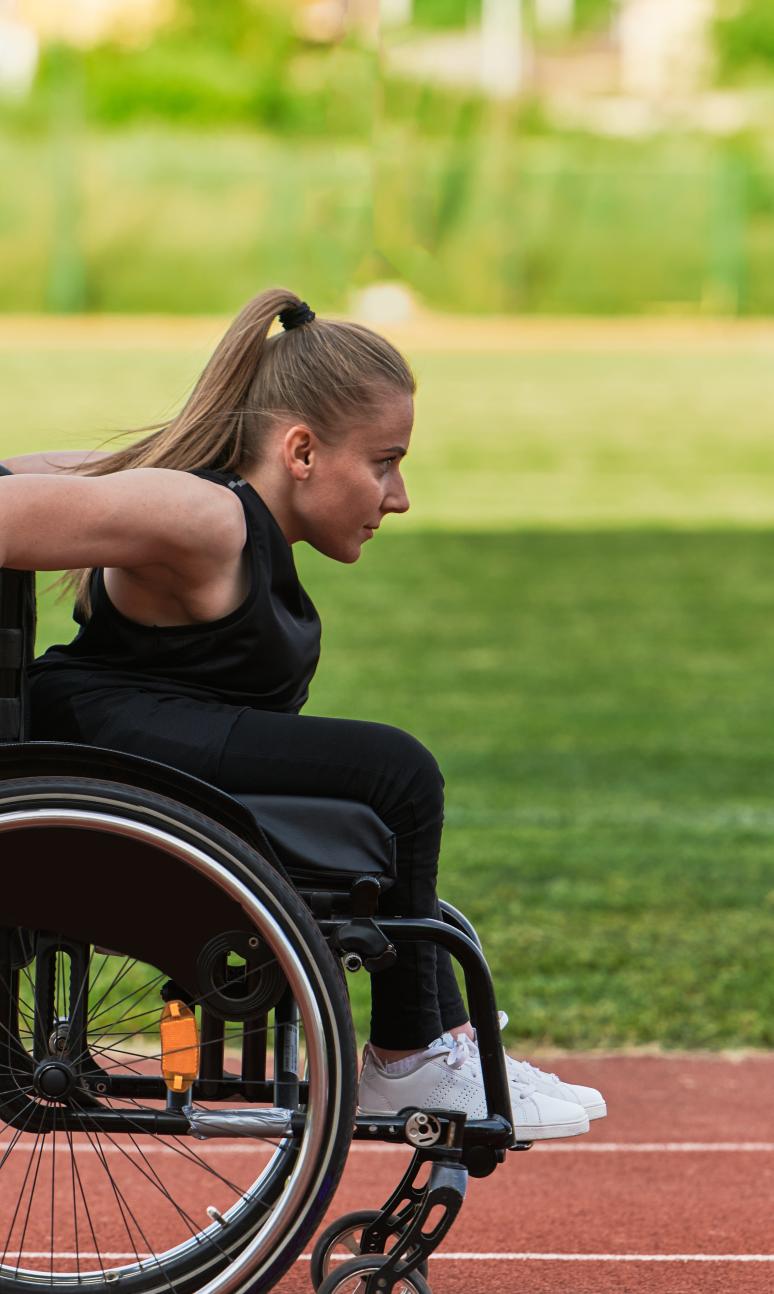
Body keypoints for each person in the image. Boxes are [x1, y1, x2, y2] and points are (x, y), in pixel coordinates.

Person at [2, 287, 606, 1140]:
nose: (398, 497)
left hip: (129, 739)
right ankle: (412, 1057)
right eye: (385, 462)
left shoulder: (206, 503)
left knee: (380, 797)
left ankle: (436, 1042)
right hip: (99, 741)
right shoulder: (201, 515)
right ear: (301, 451)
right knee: (396, 772)